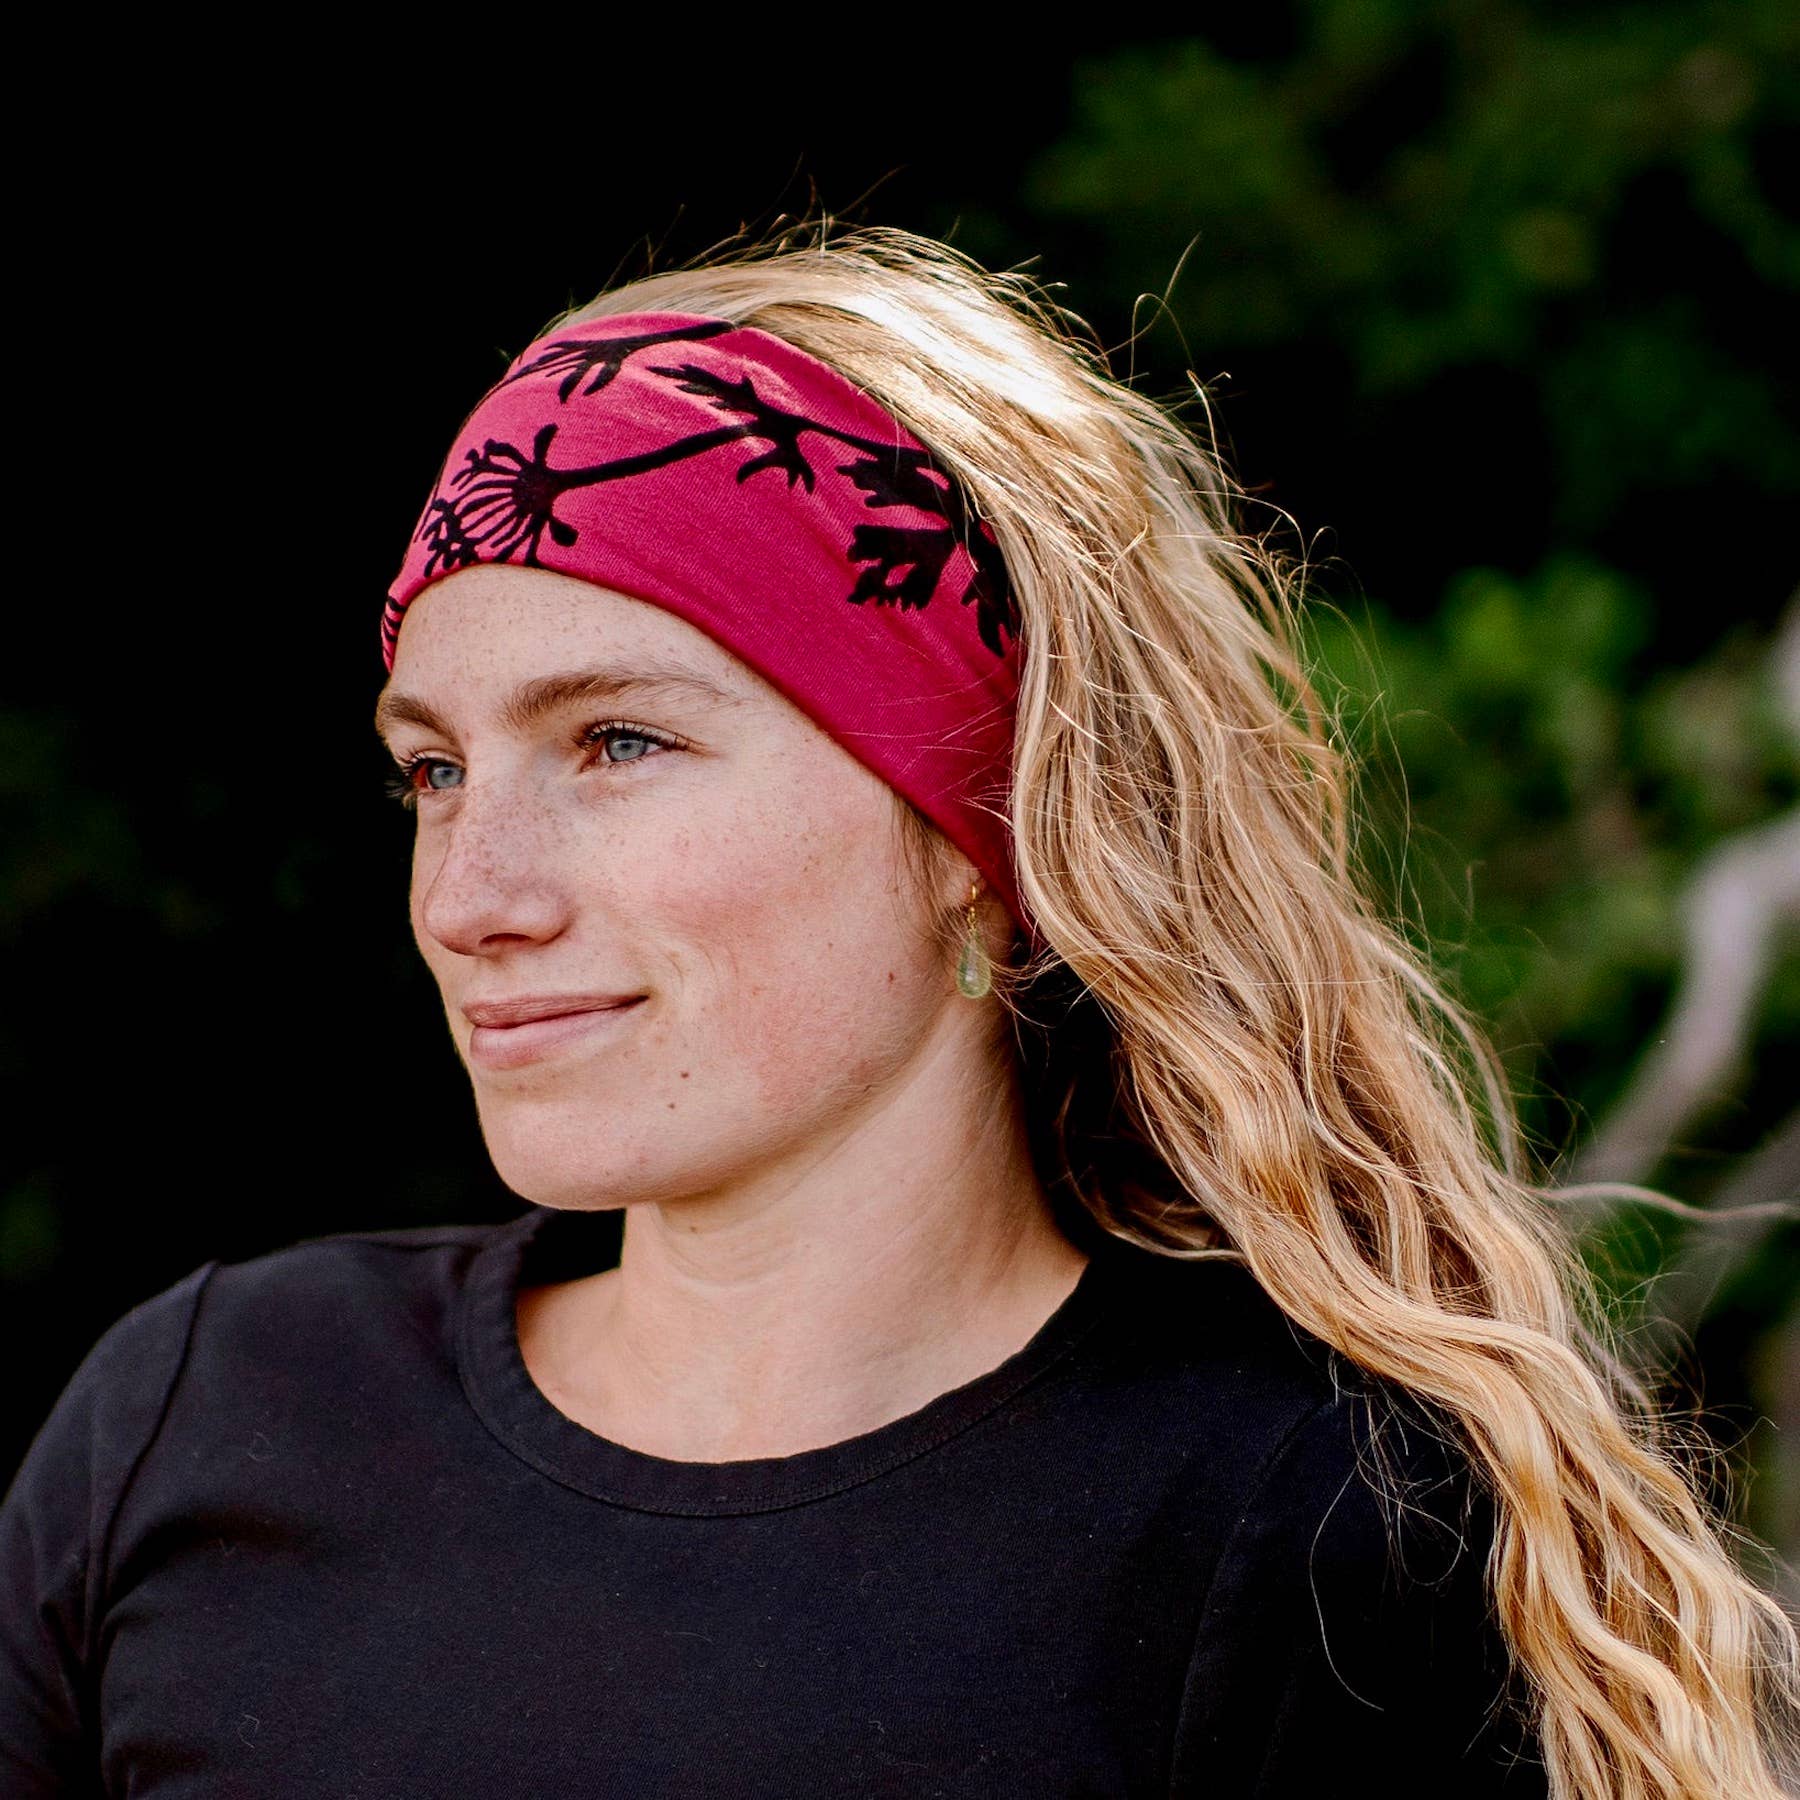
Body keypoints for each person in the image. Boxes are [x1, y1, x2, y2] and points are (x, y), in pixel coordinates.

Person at [3, 223, 1796, 1800]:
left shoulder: (1305, 1536)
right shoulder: (209, 1417)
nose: (473, 896)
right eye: (435, 770)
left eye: (617, 742)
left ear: (976, 829)